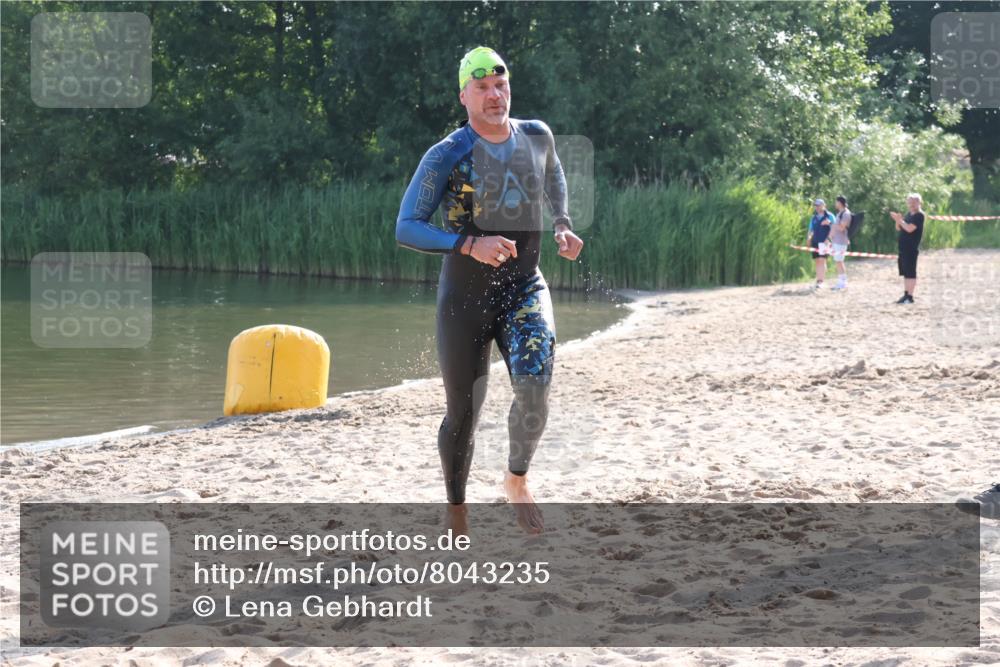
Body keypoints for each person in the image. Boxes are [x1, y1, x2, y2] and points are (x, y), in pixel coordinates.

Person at [395, 46, 583, 535]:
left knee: (536, 387)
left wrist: (561, 222)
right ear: (464, 95)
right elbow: (407, 226)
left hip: (524, 288)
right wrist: (468, 243)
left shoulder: (536, 135)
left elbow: (554, 174)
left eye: (500, 85)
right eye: (482, 88)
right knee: (463, 413)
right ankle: (456, 507)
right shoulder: (446, 154)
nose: (494, 95)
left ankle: (516, 479)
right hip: (465, 301)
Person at [889, 193, 925, 304]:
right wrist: (897, 220)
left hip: (911, 248)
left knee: (911, 272)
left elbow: (910, 229)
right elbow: (899, 228)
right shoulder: (909, 214)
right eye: (910, 202)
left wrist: (900, 221)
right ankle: (906, 294)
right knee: (905, 273)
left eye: (914, 202)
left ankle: (910, 296)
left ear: (919, 203)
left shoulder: (919, 215)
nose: (912, 205)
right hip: (903, 248)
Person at [806, 198, 835, 289]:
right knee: (817, 261)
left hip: (825, 242)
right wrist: (809, 238)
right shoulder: (814, 217)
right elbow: (811, 230)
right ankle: (818, 280)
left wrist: (828, 239)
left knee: (822, 260)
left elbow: (834, 228)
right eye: (815, 206)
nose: (817, 207)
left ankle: (821, 281)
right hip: (815, 241)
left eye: (818, 205)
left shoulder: (829, 216)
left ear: (824, 205)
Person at [830, 195, 852, 291]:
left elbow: (842, 228)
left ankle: (842, 283)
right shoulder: (840, 213)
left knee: (839, 261)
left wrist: (832, 225)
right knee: (838, 261)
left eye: (836, 202)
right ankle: (842, 281)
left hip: (841, 241)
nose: (835, 204)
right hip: (837, 240)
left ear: (839, 203)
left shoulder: (846, 214)